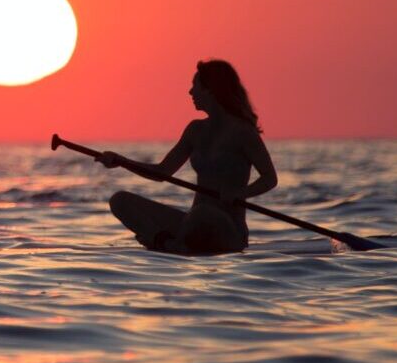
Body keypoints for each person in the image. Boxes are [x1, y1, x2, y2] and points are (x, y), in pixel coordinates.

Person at [92, 59, 278, 255]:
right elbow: (162, 172)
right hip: (192, 223)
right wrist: (121, 161)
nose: (191, 92)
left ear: (211, 90)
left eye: (195, 86)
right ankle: (163, 241)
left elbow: (270, 178)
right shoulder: (195, 130)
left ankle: (169, 243)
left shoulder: (243, 132)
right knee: (119, 200)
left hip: (228, 230)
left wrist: (241, 193)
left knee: (203, 212)